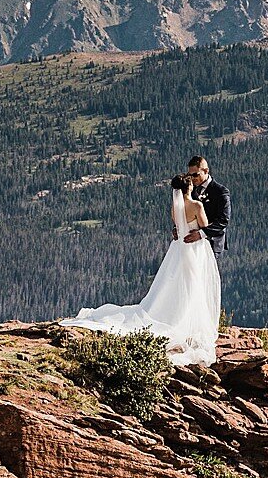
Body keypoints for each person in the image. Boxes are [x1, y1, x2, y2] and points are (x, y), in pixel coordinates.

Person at [63, 156, 225, 365]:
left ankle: (175, 317)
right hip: (195, 249)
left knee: (177, 284)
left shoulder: (175, 207)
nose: (194, 180)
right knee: (195, 284)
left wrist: (181, 230)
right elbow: (203, 224)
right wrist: (198, 230)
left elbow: (182, 225)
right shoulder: (196, 205)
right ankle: (190, 323)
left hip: (179, 248)